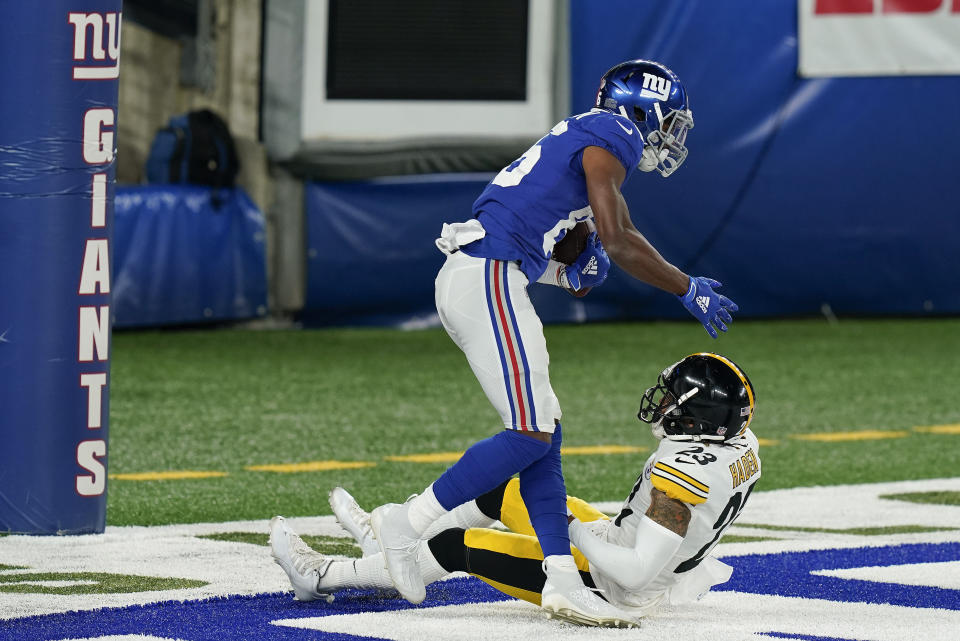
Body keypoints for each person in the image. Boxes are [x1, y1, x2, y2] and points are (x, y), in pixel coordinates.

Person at [367, 59, 739, 625]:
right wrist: (685, 286)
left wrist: (566, 272)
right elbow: (619, 239)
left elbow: (547, 238)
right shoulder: (611, 133)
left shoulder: (587, 137)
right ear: (643, 107)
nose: (670, 136)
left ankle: (562, 578)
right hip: (487, 277)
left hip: (492, 272)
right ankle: (408, 520)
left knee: (545, 434)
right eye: (669, 121)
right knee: (530, 432)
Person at [270, 353, 760, 628]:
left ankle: (323, 576)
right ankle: (391, 545)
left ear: (699, 419)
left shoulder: (682, 476)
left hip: (612, 585)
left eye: (674, 400)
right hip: (625, 545)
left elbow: (634, 572)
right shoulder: (740, 444)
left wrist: (570, 531)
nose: (664, 403)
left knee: (454, 547)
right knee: (506, 494)